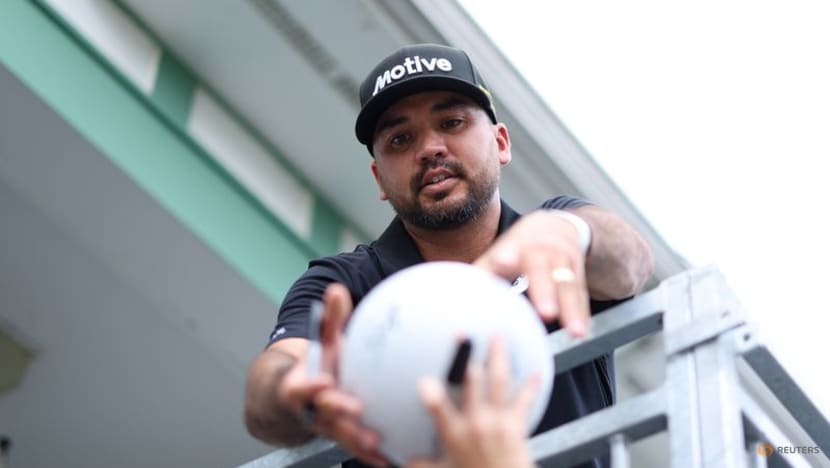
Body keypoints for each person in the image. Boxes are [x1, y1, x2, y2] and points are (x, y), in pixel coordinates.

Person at [244, 43, 654, 468]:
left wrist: (571, 233)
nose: (430, 148)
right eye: (401, 139)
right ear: (379, 178)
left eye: (452, 122)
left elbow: (633, 263)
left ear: (501, 143)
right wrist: (294, 388)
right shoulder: (346, 282)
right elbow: (270, 388)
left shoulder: (554, 234)